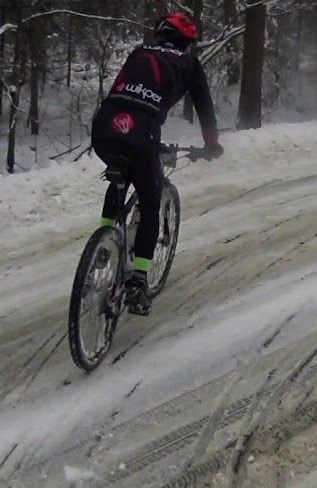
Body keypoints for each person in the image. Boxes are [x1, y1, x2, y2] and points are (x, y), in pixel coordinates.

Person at [90, 11, 223, 315]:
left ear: (161, 34)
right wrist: (211, 144)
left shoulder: (140, 52)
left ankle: (104, 242)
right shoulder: (188, 63)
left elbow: (127, 91)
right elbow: (204, 106)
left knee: (120, 175)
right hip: (143, 131)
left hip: (105, 125)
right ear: (187, 42)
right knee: (150, 200)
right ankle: (138, 280)